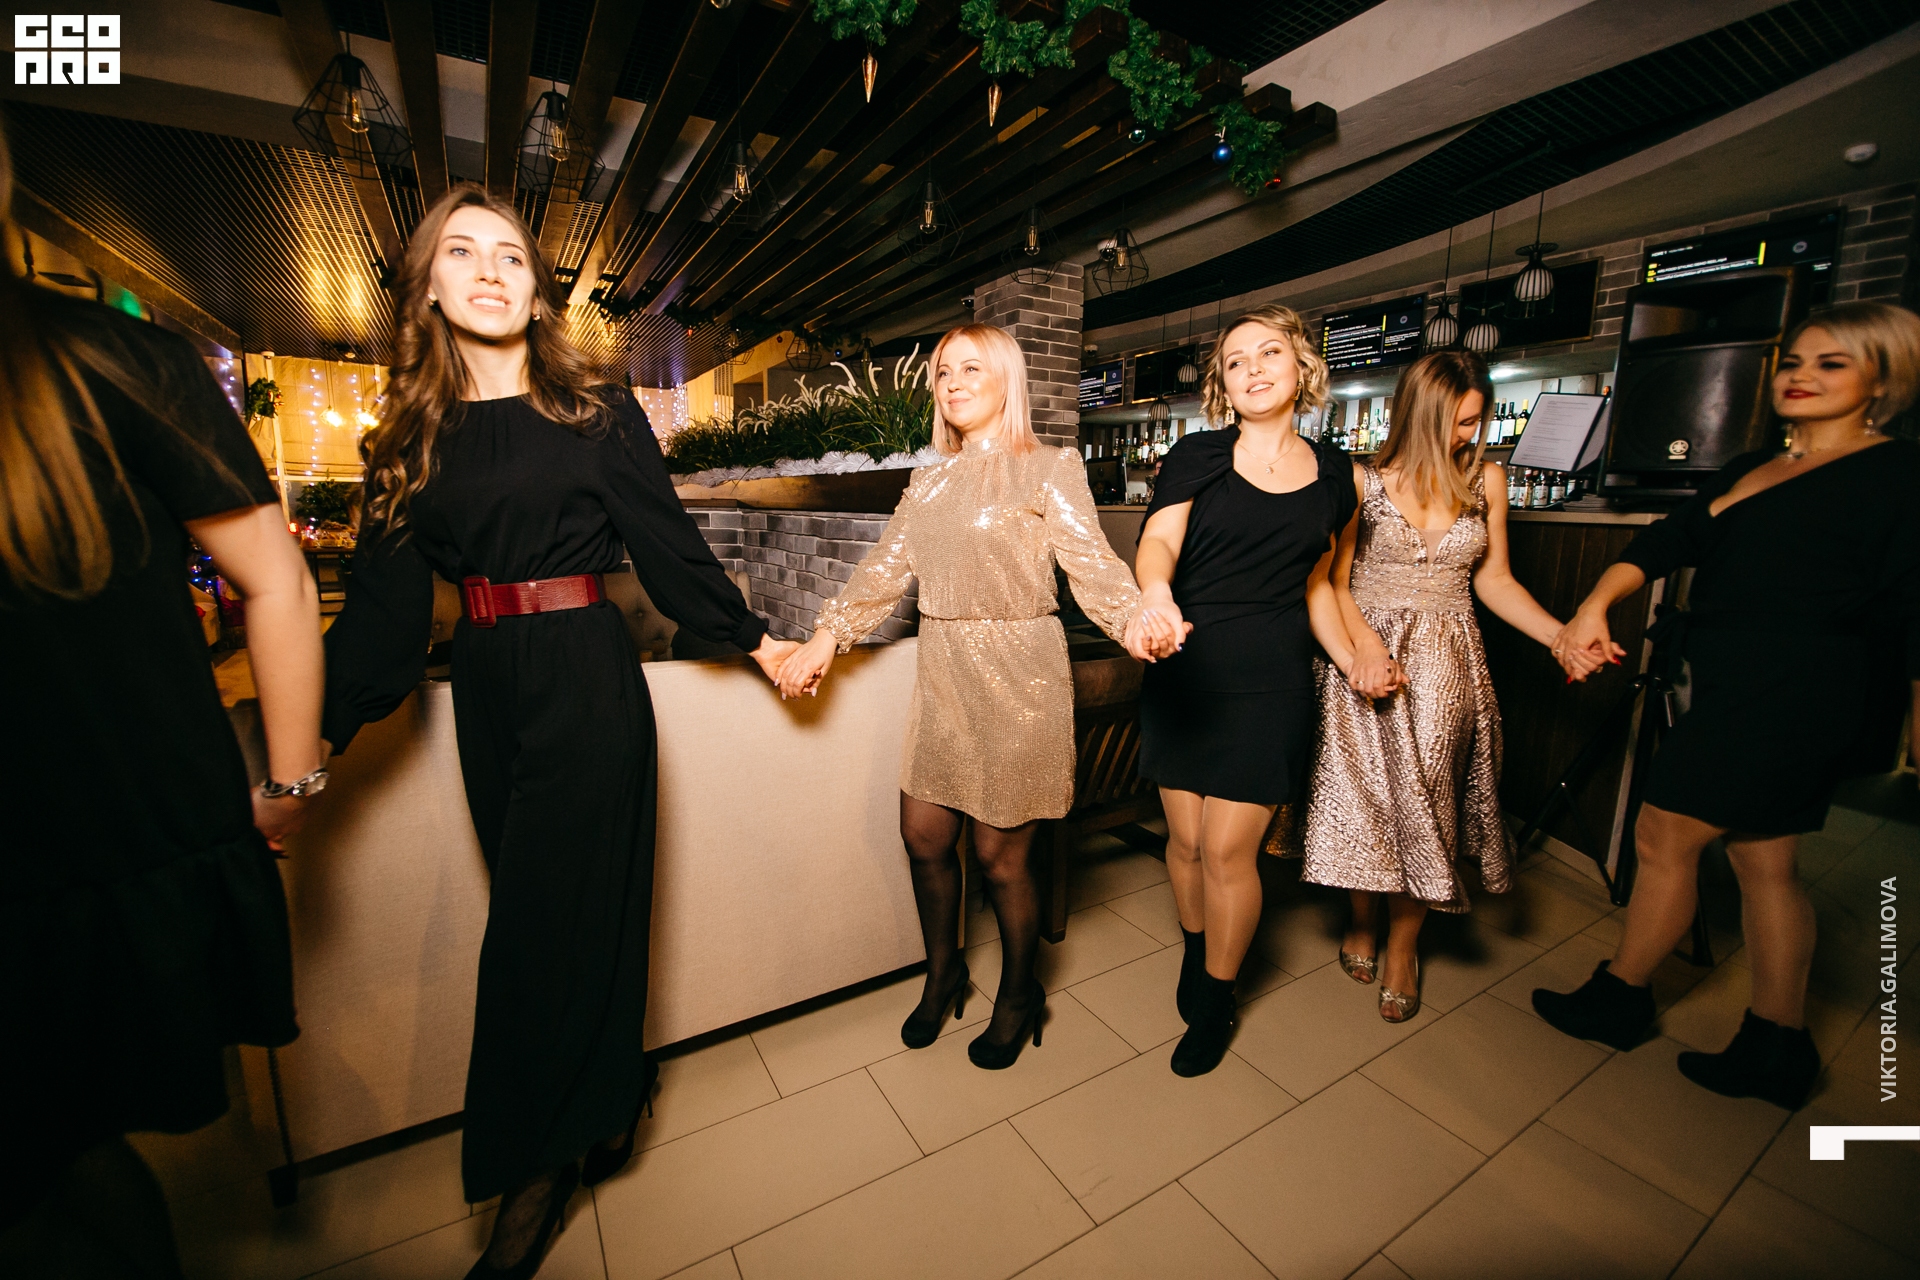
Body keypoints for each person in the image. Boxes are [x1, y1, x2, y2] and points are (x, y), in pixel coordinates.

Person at [320, 184, 796, 1279]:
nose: (490, 269)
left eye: (511, 255)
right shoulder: (405, 434)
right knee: (575, 918)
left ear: (537, 292)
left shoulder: (596, 409)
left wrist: (756, 641)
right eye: (462, 252)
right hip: (488, 686)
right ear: (427, 287)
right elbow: (383, 621)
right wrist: (308, 747)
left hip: (585, 674)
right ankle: (612, 1091)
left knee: (535, 943)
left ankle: (531, 1178)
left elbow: (667, 547)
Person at [0, 132, 322, 1274]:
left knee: (54, 1172)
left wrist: (291, 779)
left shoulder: (111, 360)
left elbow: (277, 579)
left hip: (83, 847)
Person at [1536, 301, 1920, 1110]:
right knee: (1763, 859)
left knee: (1663, 834)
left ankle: (1621, 997)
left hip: (1800, 693)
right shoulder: (1753, 465)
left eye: (1832, 363)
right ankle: (1777, 1044)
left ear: (1883, 380)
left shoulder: (1899, 474)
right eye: (1794, 361)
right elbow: (1663, 543)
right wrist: (1596, 603)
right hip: (1734, 684)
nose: (1801, 376)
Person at [777, 324, 1166, 1070]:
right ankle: (944, 972)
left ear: (1006, 380)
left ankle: (1019, 994)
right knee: (923, 836)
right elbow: (883, 571)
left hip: (1022, 674)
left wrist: (1134, 623)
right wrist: (826, 639)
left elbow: (1093, 567)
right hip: (945, 671)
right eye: (943, 372)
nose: (952, 383)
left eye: (970, 369)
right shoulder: (928, 482)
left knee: (1000, 857)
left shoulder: (1050, 466)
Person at [1296, 351, 1591, 1022]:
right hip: (1362, 653)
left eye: (1476, 421)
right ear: (1421, 415)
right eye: (1459, 422)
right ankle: (1362, 918)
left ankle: (1404, 944)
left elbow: (1495, 580)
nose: (1470, 435)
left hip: (1447, 662)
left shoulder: (1487, 480)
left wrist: (1560, 636)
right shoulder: (1362, 479)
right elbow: (1333, 582)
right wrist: (1361, 650)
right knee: (1363, 800)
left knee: (1430, 799)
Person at [1132, 304, 1381, 1077]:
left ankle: (1217, 997)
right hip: (1187, 665)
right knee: (1185, 844)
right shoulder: (1199, 455)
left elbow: (1321, 584)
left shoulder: (1339, 476)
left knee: (1228, 849)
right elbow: (1159, 539)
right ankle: (1196, 945)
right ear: (1223, 384)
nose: (1253, 369)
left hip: (1272, 678)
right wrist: (1155, 594)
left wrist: (1354, 658)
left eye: (1269, 352)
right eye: (1236, 361)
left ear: (1302, 366)